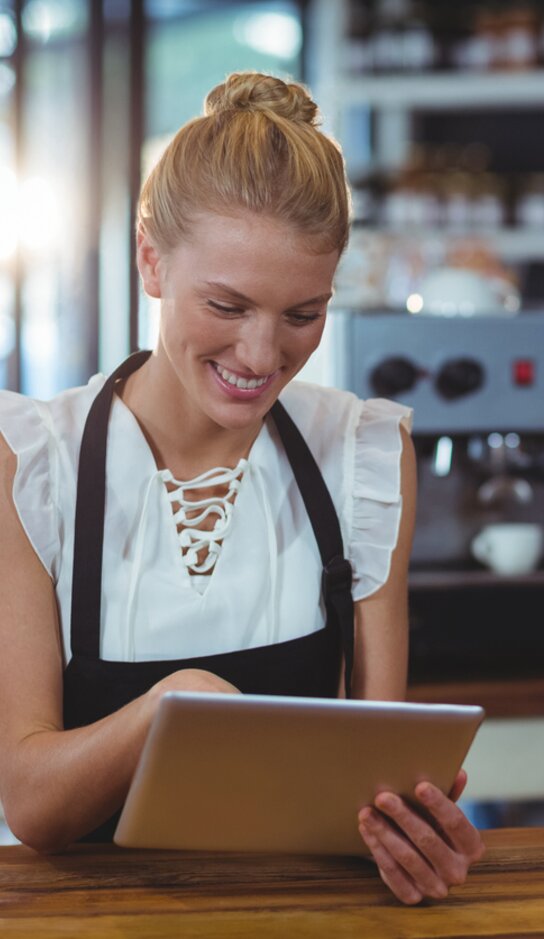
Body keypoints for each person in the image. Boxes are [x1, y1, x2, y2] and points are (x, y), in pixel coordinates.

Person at [0, 71, 484, 905]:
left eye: (303, 314)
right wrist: (171, 707)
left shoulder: (363, 456)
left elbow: (369, 777)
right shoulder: (35, 461)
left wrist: (406, 835)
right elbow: (32, 802)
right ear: (151, 259)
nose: (262, 357)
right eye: (226, 304)